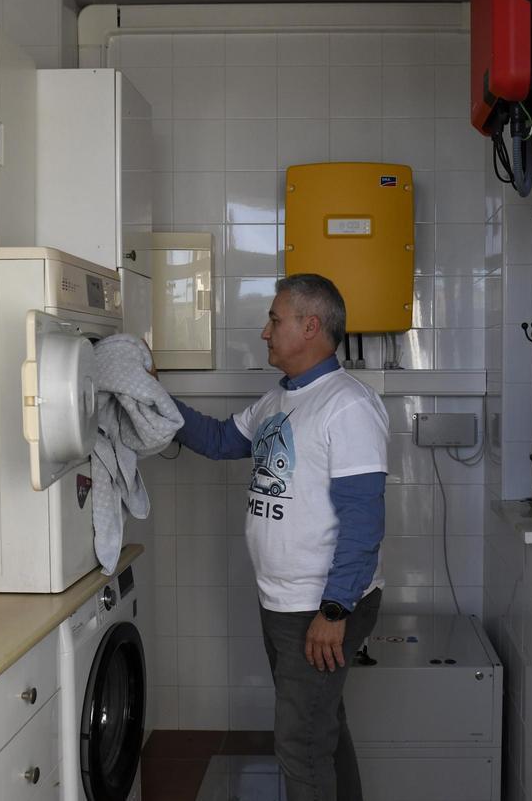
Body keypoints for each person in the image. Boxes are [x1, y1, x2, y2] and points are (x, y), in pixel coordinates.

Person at [170, 273, 389, 801]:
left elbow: (363, 520)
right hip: (286, 601)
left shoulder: (347, 405)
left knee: (300, 744)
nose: (265, 331)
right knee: (321, 729)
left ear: (310, 326)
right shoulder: (281, 399)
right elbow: (222, 440)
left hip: (321, 605)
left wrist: (333, 612)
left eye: (274, 319)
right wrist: (153, 398)